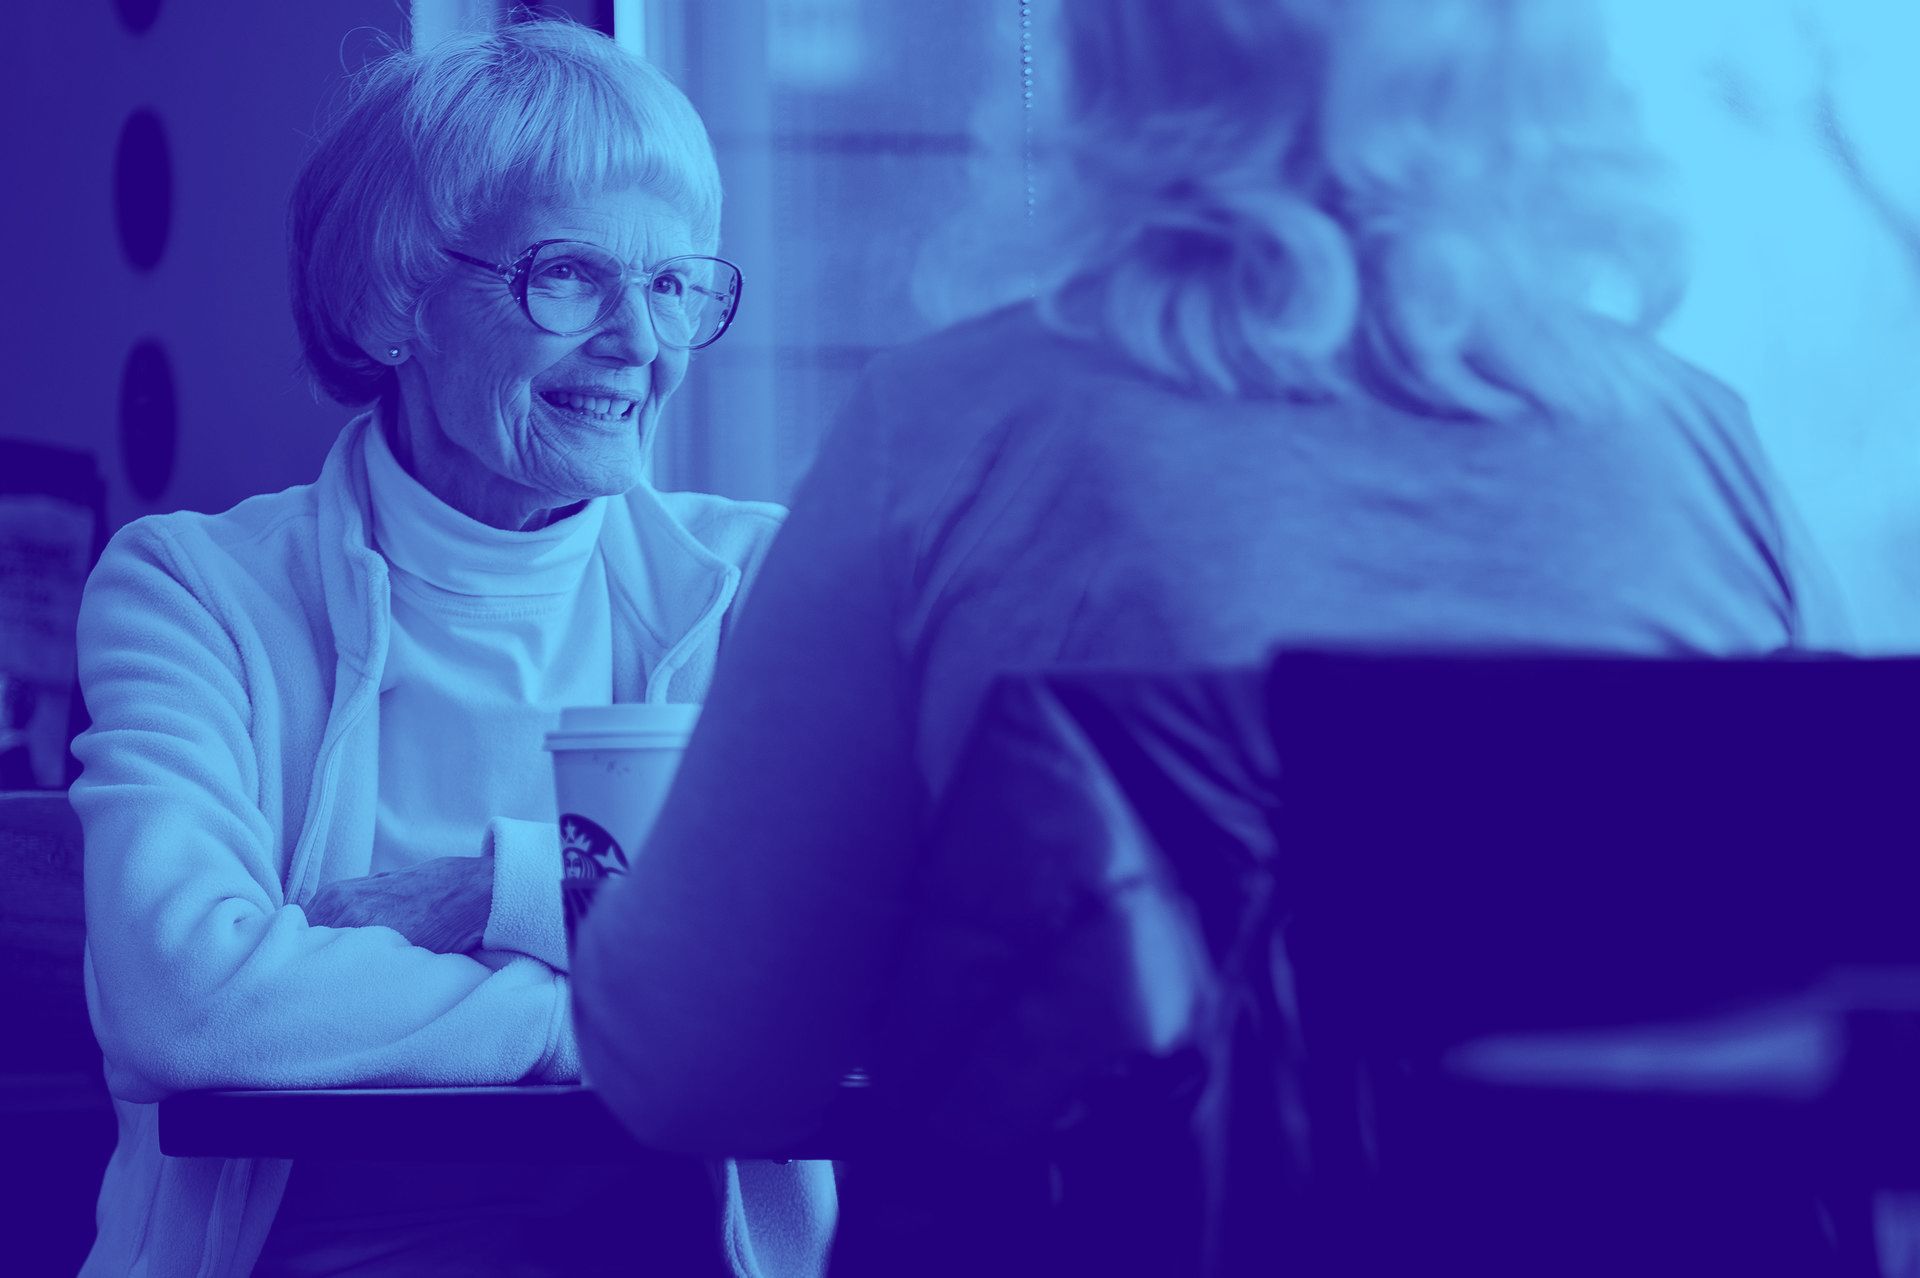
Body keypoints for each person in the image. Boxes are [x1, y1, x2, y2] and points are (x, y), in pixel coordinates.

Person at [569, 0, 1847, 1265]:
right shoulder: (1703, 458)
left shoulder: (951, 435)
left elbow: (699, 1068)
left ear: (1116, 54)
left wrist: (564, 887)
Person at [70, 18, 833, 1277]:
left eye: (673, 284)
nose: (640, 342)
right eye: (571, 277)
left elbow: (830, 971)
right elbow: (187, 1005)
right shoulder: (193, 590)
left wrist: (497, 893)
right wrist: (610, 1006)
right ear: (393, 299)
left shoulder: (756, 581)